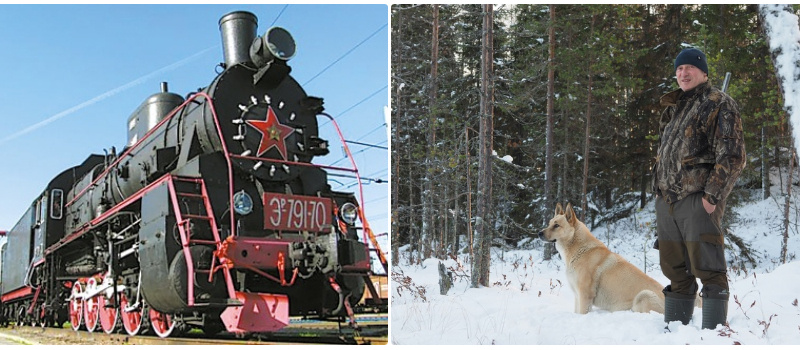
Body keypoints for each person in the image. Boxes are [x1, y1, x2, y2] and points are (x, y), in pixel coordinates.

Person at [652, 47, 746, 330]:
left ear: (703, 72)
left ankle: (714, 334)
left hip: (697, 200)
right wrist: (657, 190)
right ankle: (675, 332)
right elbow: (664, 153)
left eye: (689, 68)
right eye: (679, 69)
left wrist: (711, 197)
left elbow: (732, 155)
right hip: (667, 200)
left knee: (709, 266)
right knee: (675, 269)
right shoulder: (674, 108)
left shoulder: (718, 102)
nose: (683, 73)